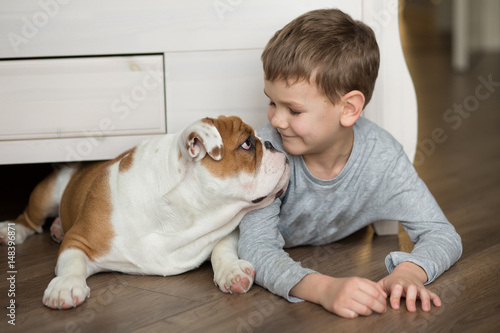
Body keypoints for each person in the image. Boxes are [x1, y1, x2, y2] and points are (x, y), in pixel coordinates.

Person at [237, 8, 462, 318]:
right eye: (271, 102)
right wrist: (324, 289)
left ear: (349, 108)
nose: (276, 119)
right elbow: (255, 249)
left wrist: (408, 273)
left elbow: (441, 234)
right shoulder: (268, 151)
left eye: (293, 109)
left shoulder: (381, 158)